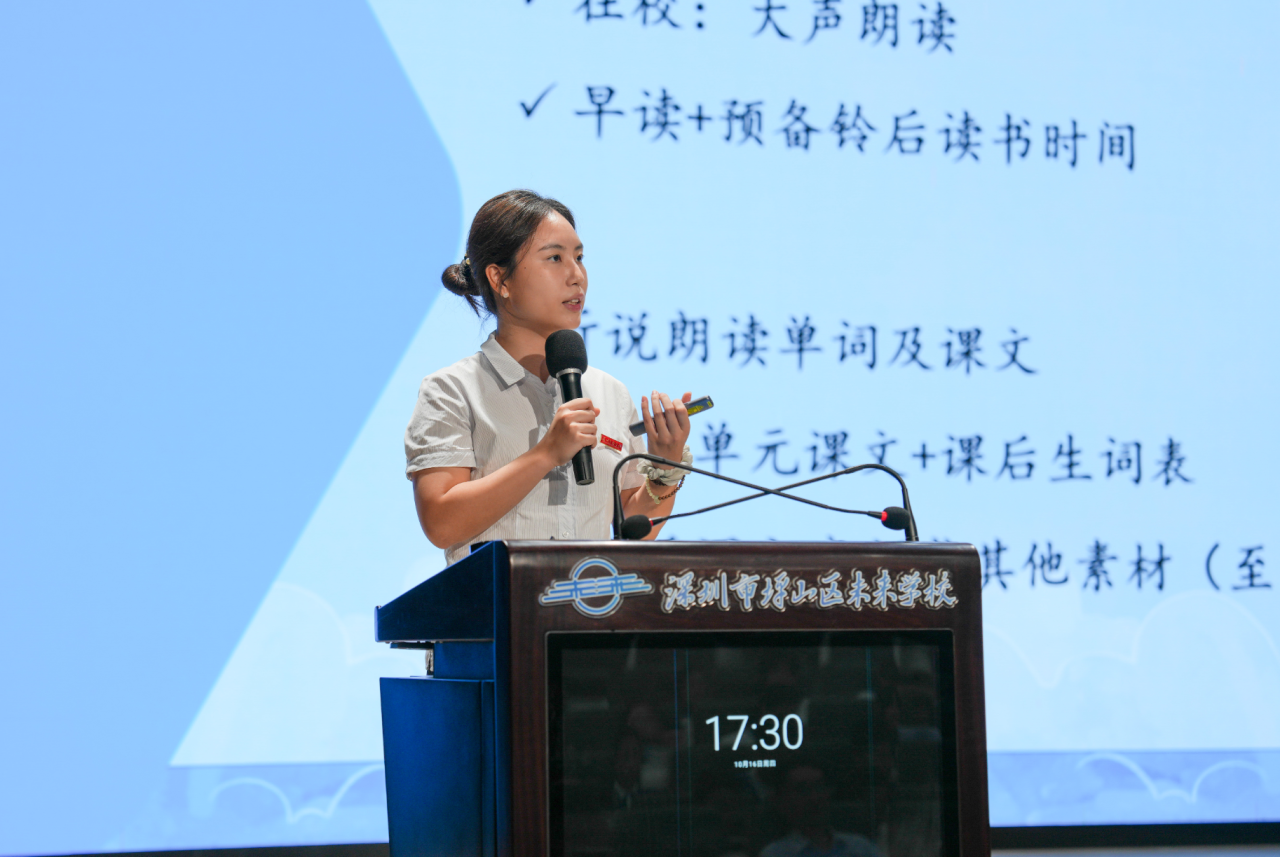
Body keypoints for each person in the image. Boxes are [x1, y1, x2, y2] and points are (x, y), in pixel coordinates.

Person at [405, 190, 694, 564]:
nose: (577, 276)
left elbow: (635, 529)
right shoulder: (453, 390)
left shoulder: (609, 392)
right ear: (500, 279)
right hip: (497, 599)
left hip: (589, 596)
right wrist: (545, 454)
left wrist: (665, 468)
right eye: (555, 258)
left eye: (579, 258)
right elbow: (441, 523)